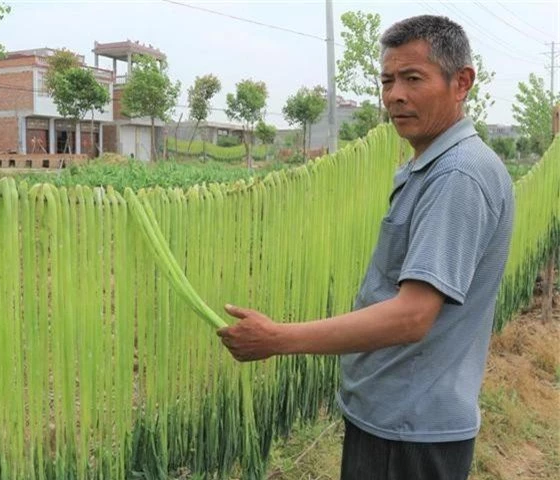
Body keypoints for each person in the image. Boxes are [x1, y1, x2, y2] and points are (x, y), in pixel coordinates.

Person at [217, 15, 514, 480]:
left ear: (462, 82)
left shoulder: (458, 175)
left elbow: (411, 316)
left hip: (409, 431)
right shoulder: (432, 165)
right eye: (388, 80)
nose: (395, 94)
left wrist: (277, 339)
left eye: (413, 79)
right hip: (395, 418)